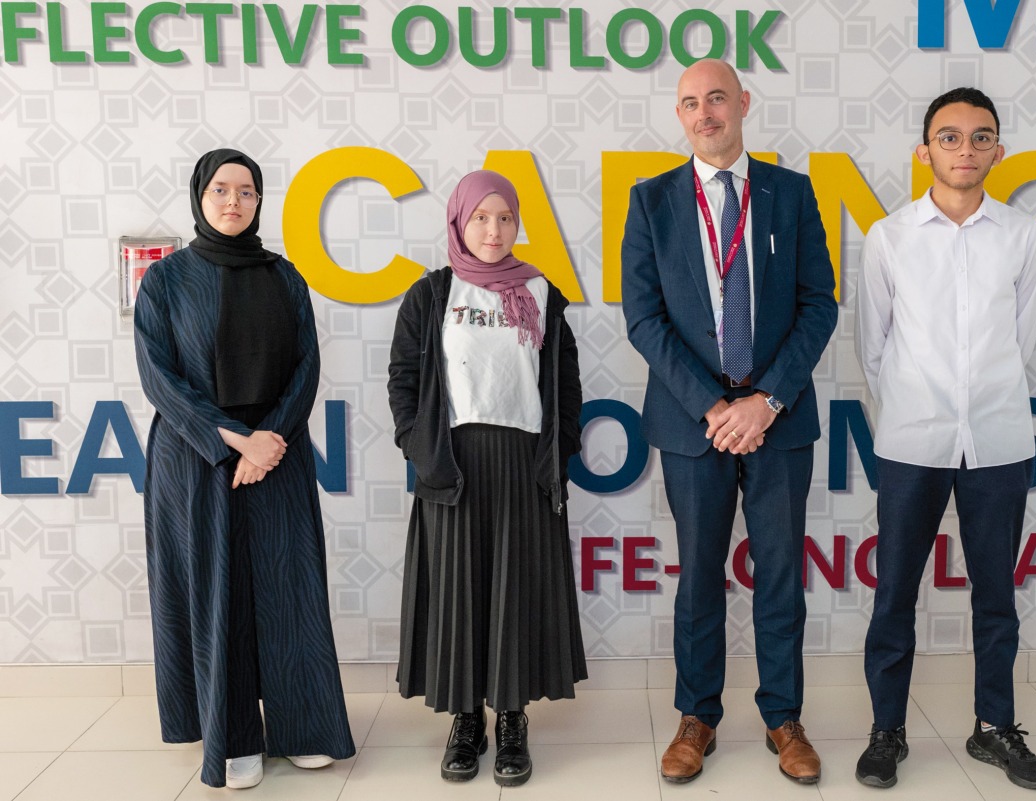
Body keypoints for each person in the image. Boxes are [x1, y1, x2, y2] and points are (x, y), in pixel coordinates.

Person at [621, 59, 838, 784]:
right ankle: (697, 716)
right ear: (678, 115)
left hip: (779, 416)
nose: (705, 112)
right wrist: (715, 407)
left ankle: (784, 717)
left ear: (743, 102)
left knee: (780, 572)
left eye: (717, 97)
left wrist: (766, 399)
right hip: (693, 423)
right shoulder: (650, 201)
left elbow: (819, 304)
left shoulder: (791, 192)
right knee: (698, 577)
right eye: (690, 102)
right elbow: (644, 319)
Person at [134, 149, 354, 789]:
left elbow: (305, 367)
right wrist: (234, 440)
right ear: (200, 194)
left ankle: (304, 726)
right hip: (197, 457)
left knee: (288, 587)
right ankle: (233, 741)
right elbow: (159, 378)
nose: (234, 202)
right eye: (222, 190)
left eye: (248, 192)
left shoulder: (284, 276)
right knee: (217, 591)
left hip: (276, 451)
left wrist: (270, 440)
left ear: (260, 202)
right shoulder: (167, 280)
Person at [854, 87, 1036, 790]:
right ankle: (888, 730)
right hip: (912, 442)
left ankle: (993, 727)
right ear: (924, 150)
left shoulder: (1022, 235)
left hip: (998, 439)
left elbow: (1022, 337)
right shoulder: (890, 237)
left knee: (996, 594)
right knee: (894, 594)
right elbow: (871, 346)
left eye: (980, 137)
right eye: (949, 136)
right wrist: (916, 405)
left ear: (998, 151)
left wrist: (978, 397)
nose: (964, 149)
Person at [388, 170, 586, 787]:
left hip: (524, 467)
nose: (493, 231)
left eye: (504, 218)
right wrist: (416, 450)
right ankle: (466, 721)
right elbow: (403, 379)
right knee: (459, 595)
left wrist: (562, 452)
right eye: (481, 218)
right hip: (453, 467)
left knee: (515, 594)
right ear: (459, 221)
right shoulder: (431, 294)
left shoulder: (542, 292)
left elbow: (567, 385)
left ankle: (513, 721)